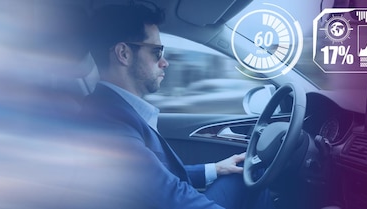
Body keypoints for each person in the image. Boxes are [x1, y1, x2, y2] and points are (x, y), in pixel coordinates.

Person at [80, 3, 275, 209]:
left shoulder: (112, 110)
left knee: (247, 170)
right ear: (123, 54)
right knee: (252, 172)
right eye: (157, 52)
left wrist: (214, 169)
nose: (165, 62)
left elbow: (153, 178)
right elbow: (171, 198)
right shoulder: (109, 124)